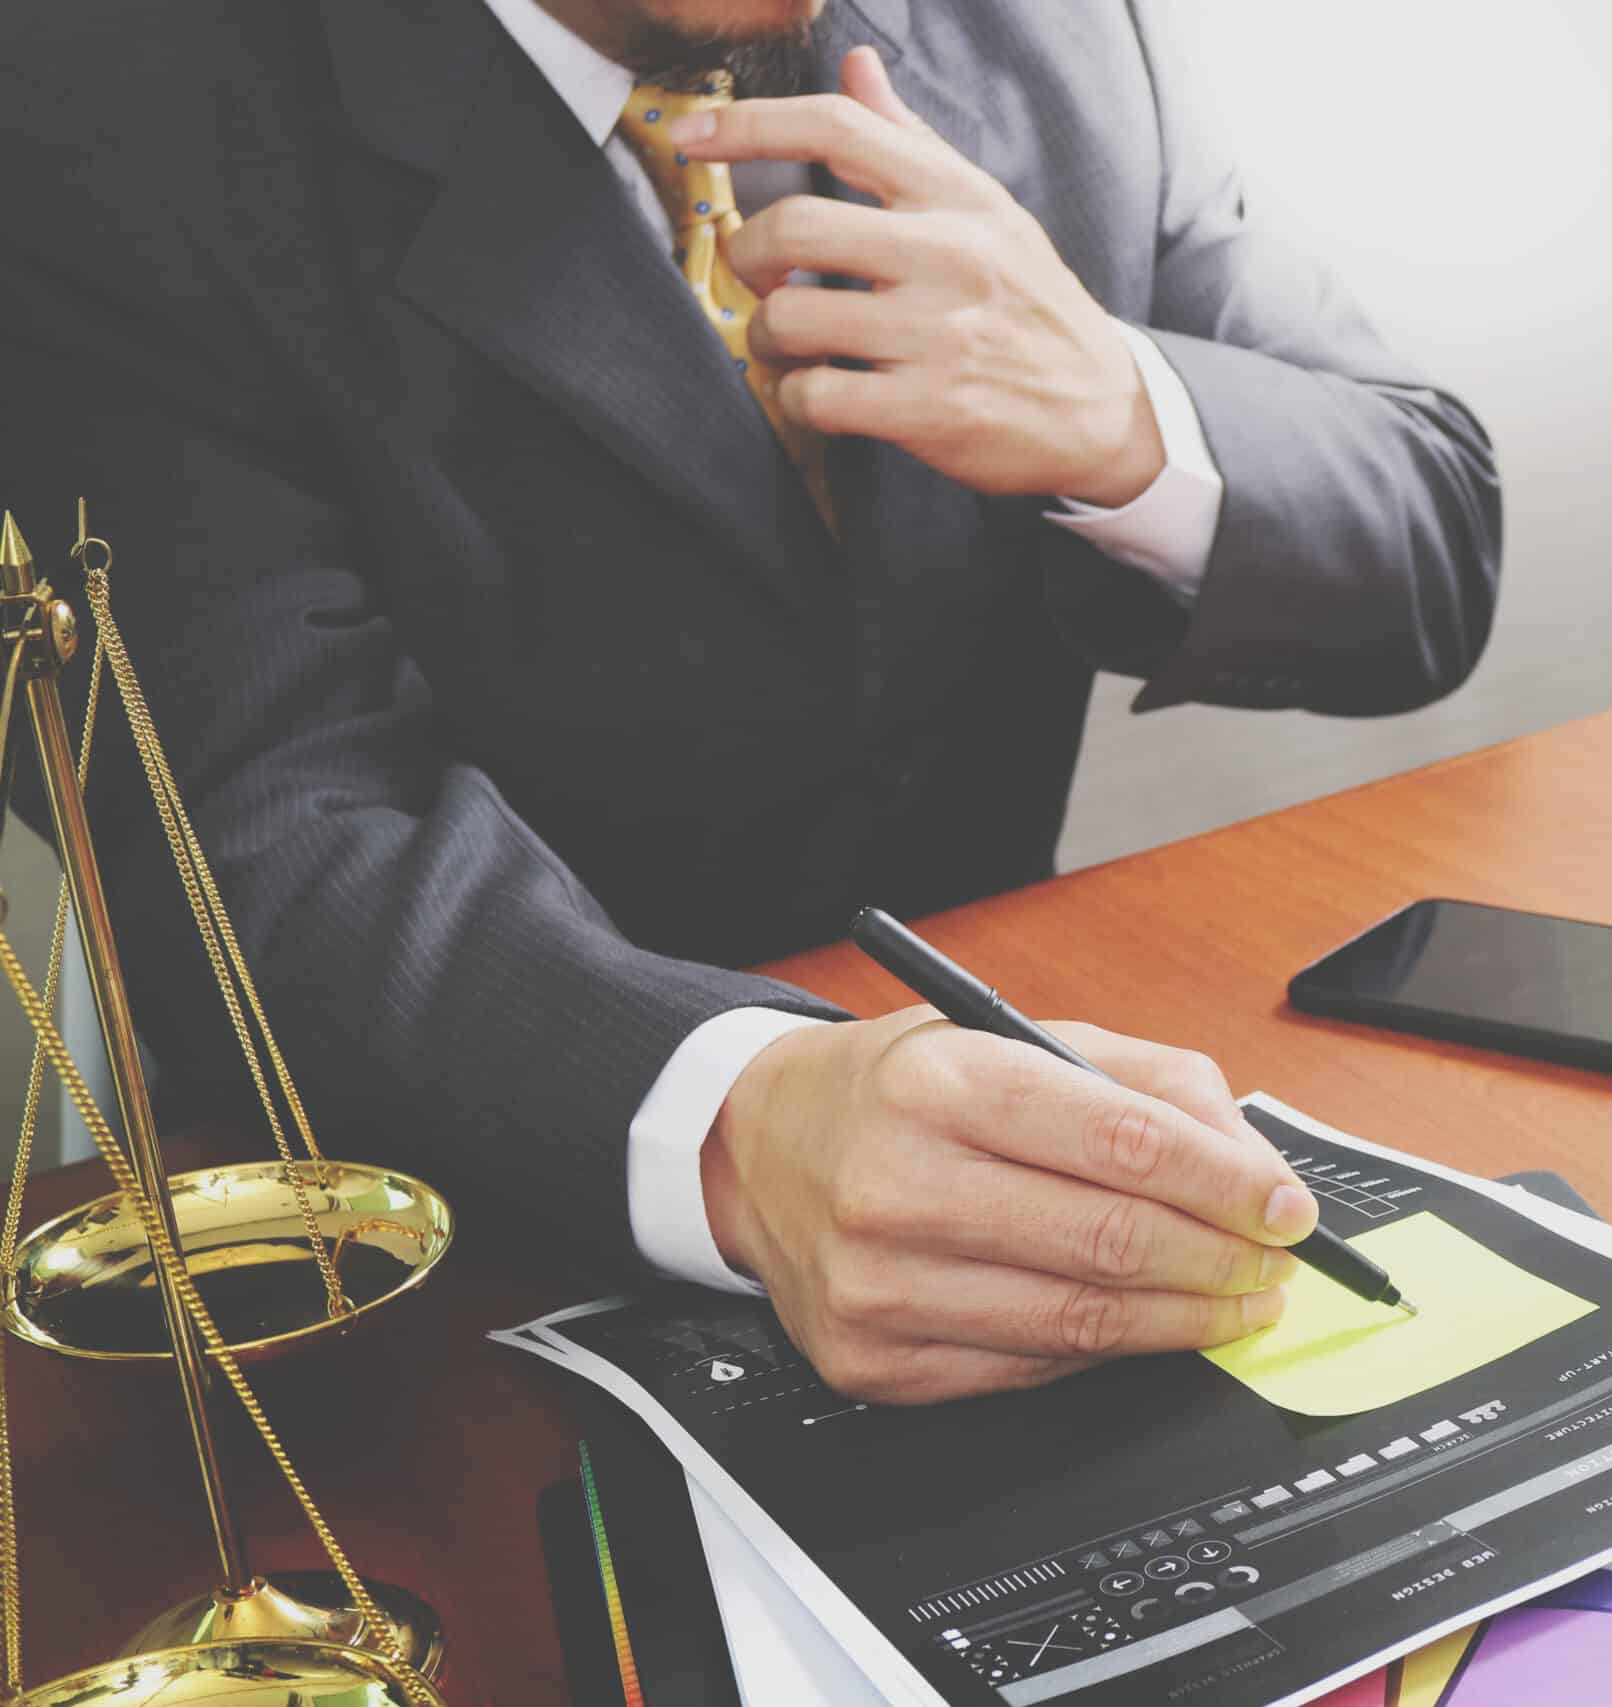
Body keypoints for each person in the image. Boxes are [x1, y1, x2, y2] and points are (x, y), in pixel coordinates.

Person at [0, 0, 1500, 1402]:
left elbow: (1427, 538)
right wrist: (735, 1116)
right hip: (421, 1254)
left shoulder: (1049, 31)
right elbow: (245, 827)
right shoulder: (85, 109)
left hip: (1037, 1178)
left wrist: (1123, 413)